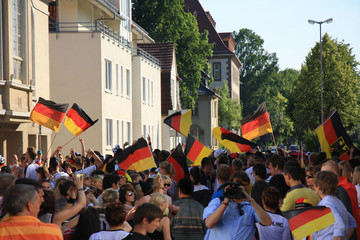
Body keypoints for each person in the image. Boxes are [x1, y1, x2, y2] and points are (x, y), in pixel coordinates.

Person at [203, 181, 272, 240]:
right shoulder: (217, 202)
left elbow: (267, 222)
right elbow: (209, 224)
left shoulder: (250, 206)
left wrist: (250, 200)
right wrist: (226, 200)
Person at [321, 159, 360, 240]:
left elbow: (343, 224)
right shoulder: (348, 186)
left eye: (324, 174)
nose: (321, 178)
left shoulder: (340, 191)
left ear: (334, 175)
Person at [312, 171, 356, 239]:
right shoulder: (337, 202)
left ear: (318, 187)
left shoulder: (327, 205)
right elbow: (352, 223)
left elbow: (340, 227)